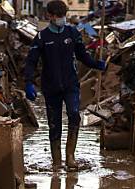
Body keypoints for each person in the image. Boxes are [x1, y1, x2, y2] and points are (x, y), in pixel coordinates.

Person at [24, 0, 107, 171]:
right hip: (51, 87)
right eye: (58, 16)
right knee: (54, 123)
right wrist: (28, 82)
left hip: (71, 85)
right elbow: (31, 62)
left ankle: (70, 157)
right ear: (50, 16)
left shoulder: (72, 32)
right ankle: (56, 161)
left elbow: (82, 56)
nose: (62, 19)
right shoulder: (42, 37)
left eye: (63, 16)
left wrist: (97, 64)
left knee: (74, 114)